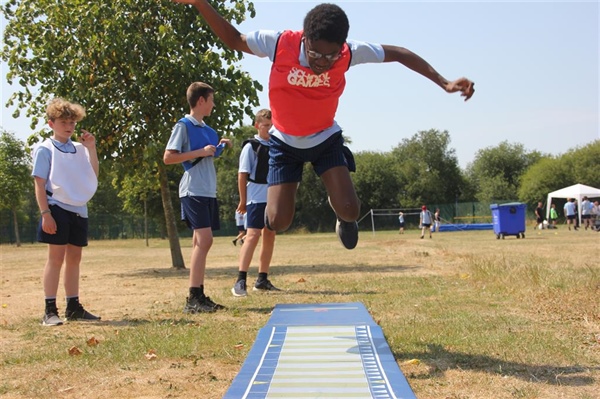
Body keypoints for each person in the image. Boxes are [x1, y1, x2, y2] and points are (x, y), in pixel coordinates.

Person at [171, 0, 475, 251]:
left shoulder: (349, 52)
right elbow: (234, 39)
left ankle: (342, 217)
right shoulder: (279, 43)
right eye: (316, 53)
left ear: (341, 46)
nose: (322, 62)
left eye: (331, 55)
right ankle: (288, 206)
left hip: (325, 138)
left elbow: (399, 53)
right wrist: (200, 3)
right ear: (305, 38)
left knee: (350, 207)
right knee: (278, 221)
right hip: (284, 143)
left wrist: (444, 82)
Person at [32, 98, 101, 326]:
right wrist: (45, 213)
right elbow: (39, 184)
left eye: (72, 121)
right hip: (56, 207)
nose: (69, 126)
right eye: (63, 122)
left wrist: (92, 149)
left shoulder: (80, 148)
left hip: (78, 209)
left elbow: (92, 176)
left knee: (74, 258)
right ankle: (49, 310)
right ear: (51, 124)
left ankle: (74, 307)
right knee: (56, 258)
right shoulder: (45, 149)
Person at [163, 82, 231, 313]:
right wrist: (201, 152)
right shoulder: (183, 126)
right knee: (205, 241)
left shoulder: (209, 130)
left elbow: (208, 154)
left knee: (199, 242)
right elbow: (169, 157)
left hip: (207, 190)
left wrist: (219, 147)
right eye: (211, 99)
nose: (213, 104)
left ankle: (198, 295)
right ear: (201, 101)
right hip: (193, 190)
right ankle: (194, 298)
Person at [232, 109, 281, 297]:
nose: (269, 129)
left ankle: (262, 279)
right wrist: (243, 200)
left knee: (269, 235)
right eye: (266, 125)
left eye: (272, 125)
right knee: (252, 235)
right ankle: (240, 280)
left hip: (272, 195)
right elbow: (242, 174)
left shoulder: (276, 146)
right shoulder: (250, 147)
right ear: (257, 126)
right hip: (255, 196)